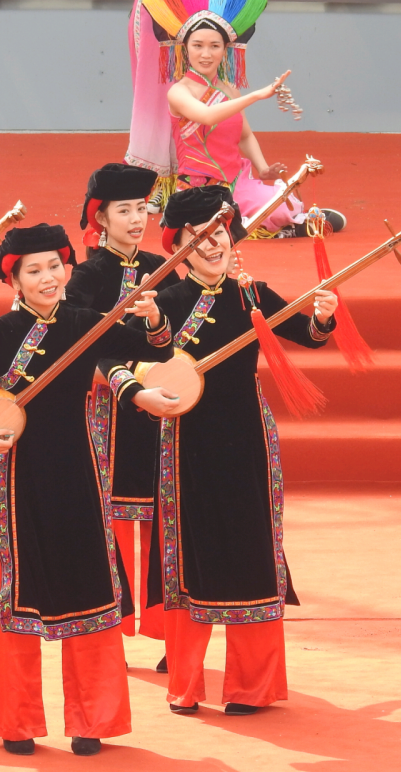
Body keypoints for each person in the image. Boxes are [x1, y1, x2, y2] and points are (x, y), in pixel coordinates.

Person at [0, 224, 178, 756]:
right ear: (13, 280)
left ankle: (93, 719)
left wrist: (155, 318)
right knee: (19, 597)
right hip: (18, 480)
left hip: (82, 475)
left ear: (68, 270)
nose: (48, 277)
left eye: (55, 267)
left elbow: (156, 347)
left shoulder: (87, 322)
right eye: (33, 270)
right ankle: (18, 722)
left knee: (91, 589)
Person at [138, 187, 336, 715]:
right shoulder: (165, 302)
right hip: (186, 444)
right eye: (199, 236)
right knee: (188, 557)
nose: (214, 244)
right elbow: (138, 359)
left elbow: (309, 335)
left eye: (220, 232)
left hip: (247, 438)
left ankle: (253, 686)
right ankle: (184, 684)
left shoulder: (253, 295)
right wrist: (152, 327)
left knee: (251, 554)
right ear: (178, 246)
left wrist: (323, 316)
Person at [65, 163, 178, 655]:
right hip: (107, 415)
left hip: (161, 414)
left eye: (142, 209)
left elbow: (176, 338)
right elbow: (77, 348)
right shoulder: (86, 276)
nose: (136, 220)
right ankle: (109, 630)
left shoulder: (163, 267)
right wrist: (127, 378)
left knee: (164, 520)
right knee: (107, 521)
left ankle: (169, 633)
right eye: (124, 211)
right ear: (101, 218)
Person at [142, 0, 345, 237]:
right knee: (222, 218)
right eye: (198, 45)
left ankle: (282, 223)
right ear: (185, 48)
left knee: (282, 199)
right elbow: (207, 116)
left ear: (225, 49)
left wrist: (263, 169)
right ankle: (287, 227)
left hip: (236, 181)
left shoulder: (229, 89)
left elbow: (245, 136)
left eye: (214, 46)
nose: (206, 54)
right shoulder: (179, 92)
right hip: (199, 187)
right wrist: (256, 95)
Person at [114, 0, 241, 210]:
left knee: (200, 89)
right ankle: (156, 181)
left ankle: (195, 175)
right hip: (157, 9)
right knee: (157, 96)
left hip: (195, 7)